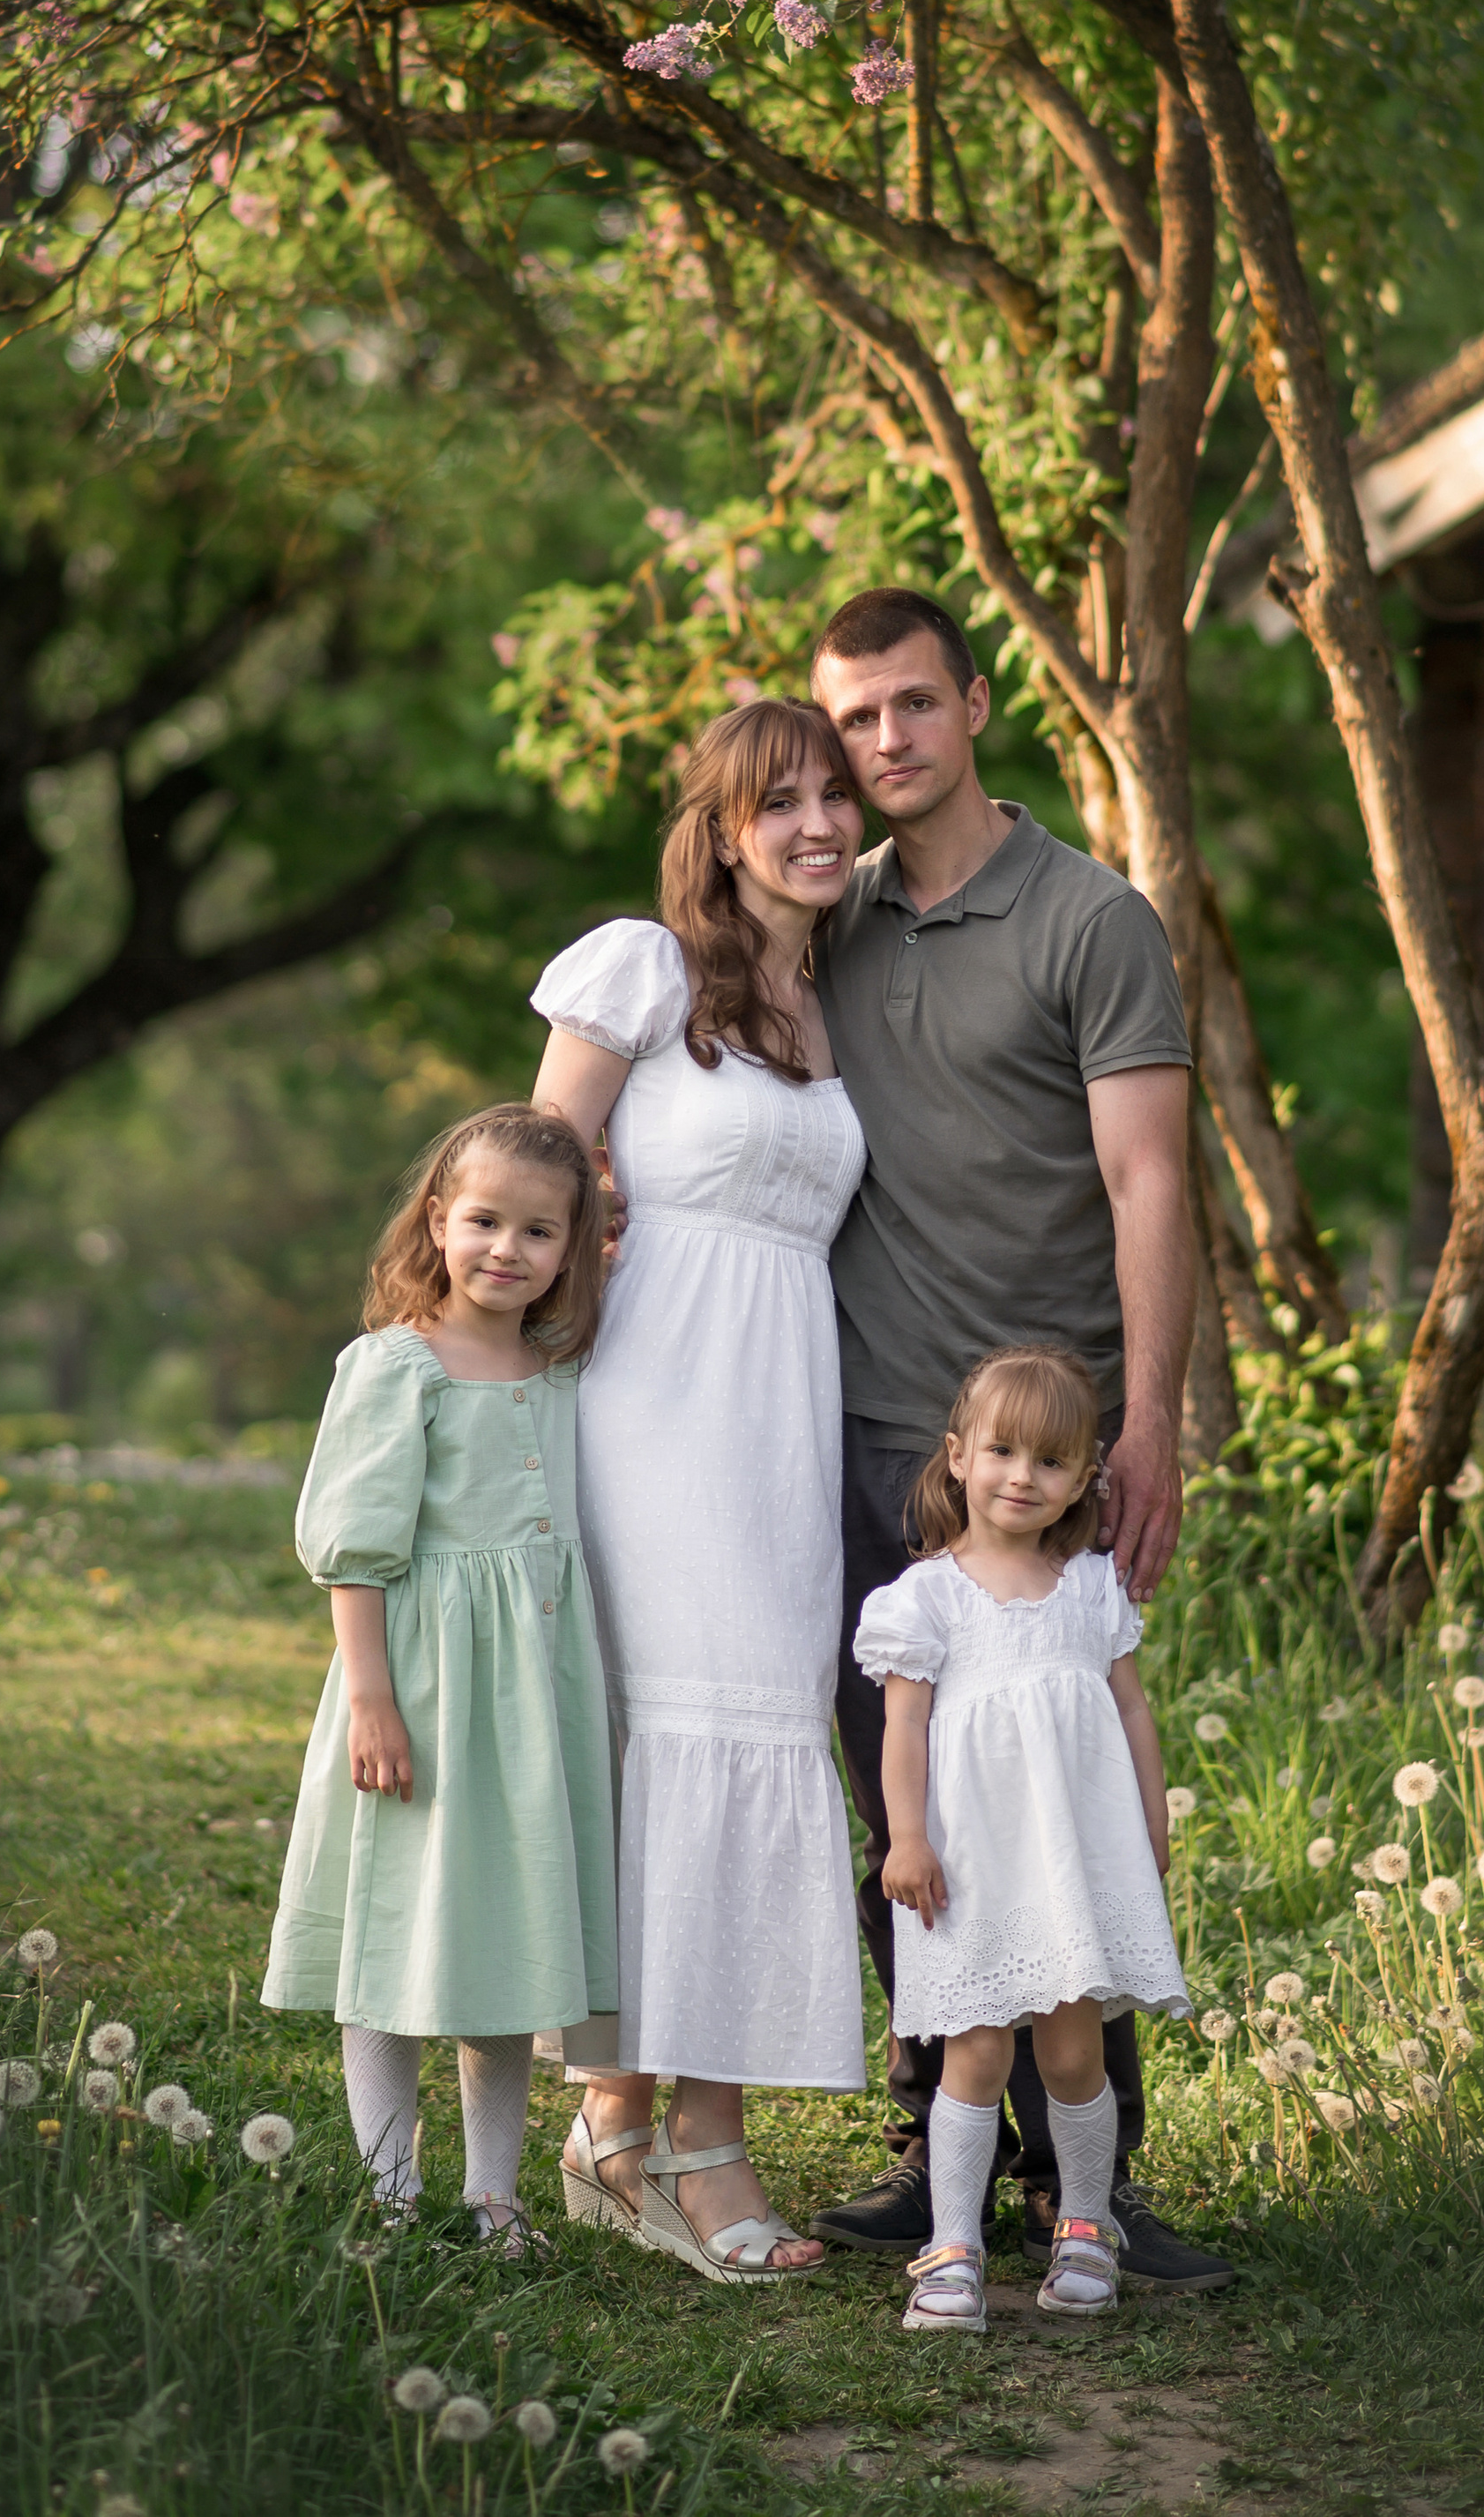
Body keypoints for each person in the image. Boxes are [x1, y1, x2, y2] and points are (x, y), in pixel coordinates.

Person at [809, 585, 1233, 2291]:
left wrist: (1152, 1425)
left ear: (975, 704)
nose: (886, 740)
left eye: (914, 703)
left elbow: (1150, 1180)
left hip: (1040, 1452)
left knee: (1054, 1796)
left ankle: (1094, 2184)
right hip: (861, 1432)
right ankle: (939, 2160)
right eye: (853, 718)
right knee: (899, 1799)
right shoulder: (819, 922)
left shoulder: (1089, 918)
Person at [528, 697, 869, 2280]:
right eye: (778, 800)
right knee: (658, 1728)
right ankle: (626, 2128)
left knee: (760, 1724)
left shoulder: (842, 994)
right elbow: (532, 1166)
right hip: (649, 1397)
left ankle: (697, 2128)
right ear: (723, 829)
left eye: (834, 797)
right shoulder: (647, 969)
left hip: (782, 1402)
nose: (815, 823)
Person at [263, 1102, 619, 2252]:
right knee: (397, 1929)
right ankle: (388, 2188)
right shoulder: (394, 1366)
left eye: (540, 1231)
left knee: (505, 1932)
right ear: (436, 1219)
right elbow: (353, 1545)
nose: (507, 1249)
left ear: (575, 1247)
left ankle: (493, 2193)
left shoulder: (562, 1371)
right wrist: (370, 1695)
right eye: (482, 1220)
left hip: (525, 1703)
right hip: (418, 1689)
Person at [854, 1345, 1187, 2333]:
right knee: (978, 2050)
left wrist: (1151, 1814)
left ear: (1083, 1478)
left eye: (1049, 1461)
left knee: (1077, 2052)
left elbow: (1129, 1713)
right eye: (1000, 1450)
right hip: (969, 1868)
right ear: (957, 1456)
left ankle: (1083, 2226)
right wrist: (904, 1838)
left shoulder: (1090, 1589)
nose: (1021, 1477)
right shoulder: (925, 1599)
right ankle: (952, 2248)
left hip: (1072, 1865)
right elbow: (902, 1729)